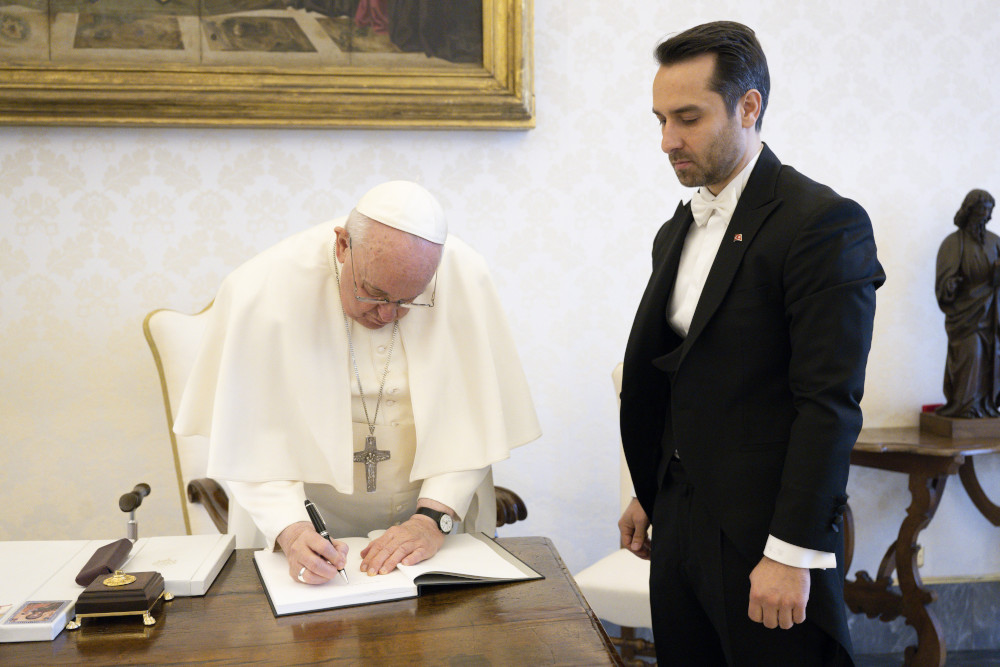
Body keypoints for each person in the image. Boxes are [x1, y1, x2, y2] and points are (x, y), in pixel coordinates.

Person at [617, 22, 885, 666]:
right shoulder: (675, 231)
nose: (667, 141)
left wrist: (790, 555)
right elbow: (683, 374)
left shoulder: (823, 224)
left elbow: (828, 405)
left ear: (749, 106)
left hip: (764, 538)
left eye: (687, 117)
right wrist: (648, 489)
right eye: (659, 119)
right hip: (676, 523)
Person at [174, 181, 540, 584]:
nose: (388, 315)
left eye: (408, 301)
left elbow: (474, 419)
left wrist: (434, 518)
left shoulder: (464, 276)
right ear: (343, 246)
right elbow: (248, 439)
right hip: (300, 521)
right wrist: (292, 531)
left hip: (433, 533)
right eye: (374, 294)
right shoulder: (262, 288)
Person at [935, 189, 999, 418]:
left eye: (990, 211)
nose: (987, 215)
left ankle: (985, 406)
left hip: (992, 313)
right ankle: (964, 406)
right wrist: (950, 286)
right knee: (972, 354)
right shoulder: (953, 243)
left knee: (991, 359)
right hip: (966, 315)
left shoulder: (994, 241)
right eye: (983, 209)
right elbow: (944, 282)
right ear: (970, 210)